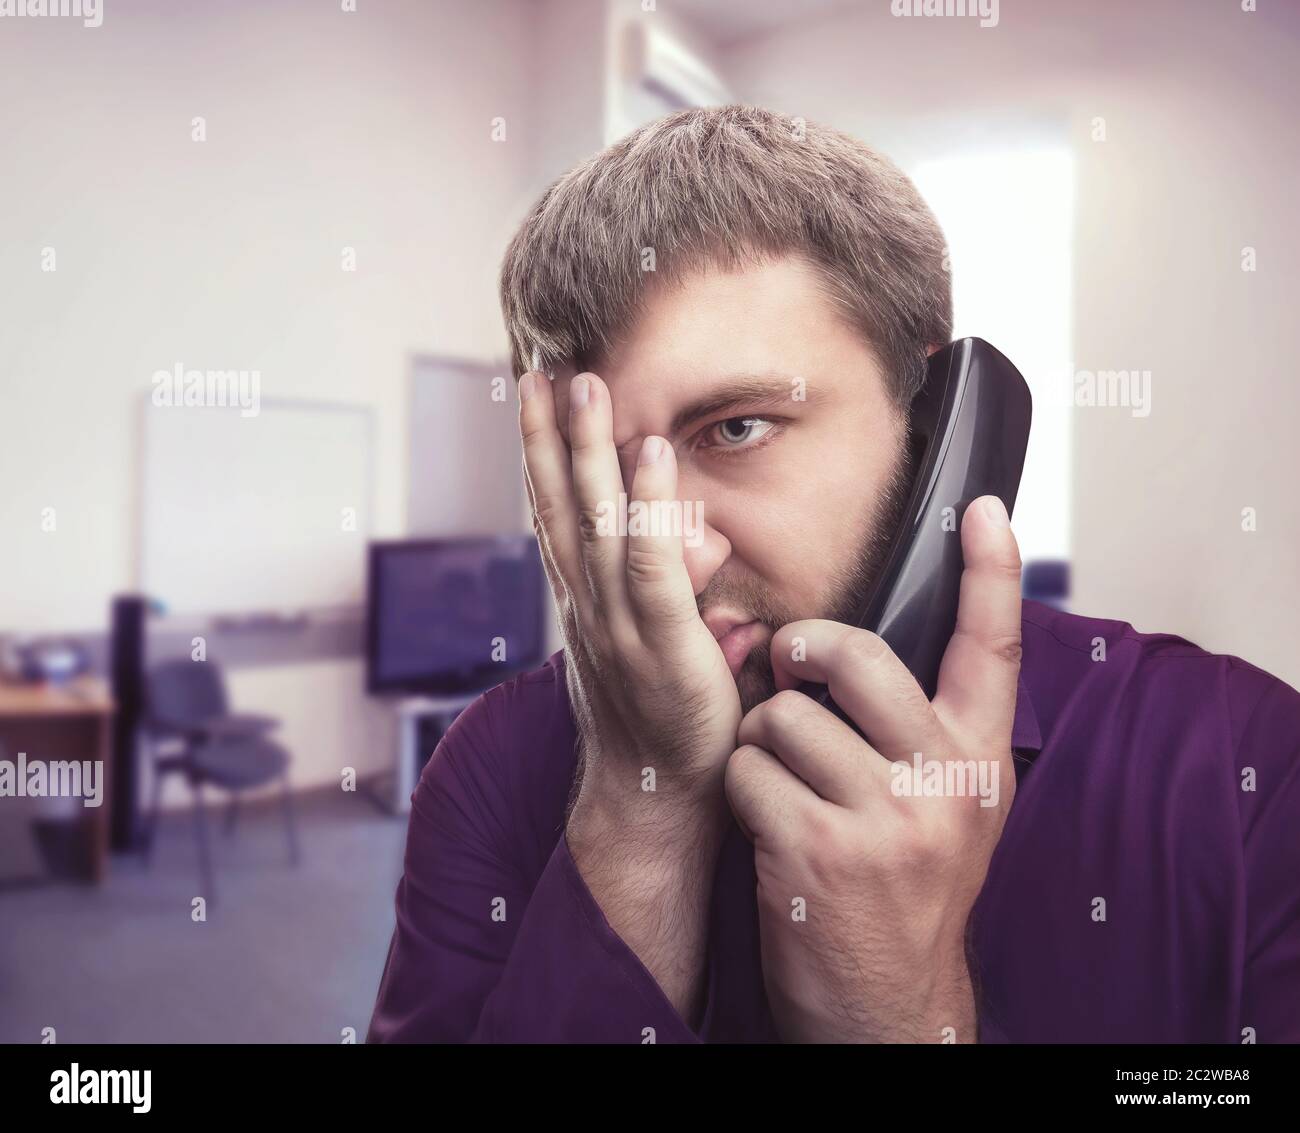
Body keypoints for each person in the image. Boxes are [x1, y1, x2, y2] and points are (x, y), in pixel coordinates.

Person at [367, 105, 1300, 1043]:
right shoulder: (487, 764)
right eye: (604, 472)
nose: (671, 554)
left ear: (939, 427)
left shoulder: (1242, 766)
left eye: (737, 428)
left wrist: (901, 1014)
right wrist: (638, 812)